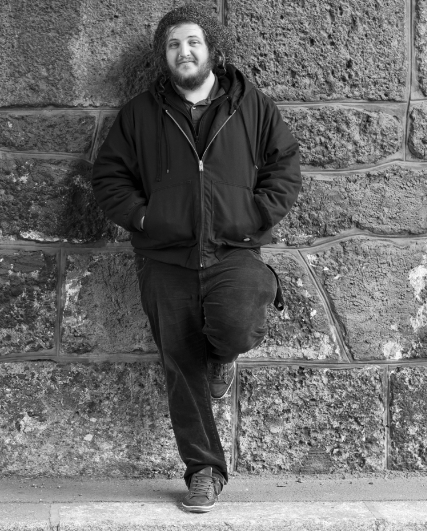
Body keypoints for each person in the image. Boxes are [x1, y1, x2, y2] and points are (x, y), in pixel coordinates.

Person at [92, 4, 300, 513]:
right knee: (182, 367)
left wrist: (254, 215)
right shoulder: (140, 113)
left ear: (211, 50)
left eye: (192, 42)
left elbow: (285, 167)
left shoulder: (252, 106)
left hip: (234, 249)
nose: (183, 52)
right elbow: (109, 178)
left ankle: (223, 354)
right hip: (166, 258)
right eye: (173, 45)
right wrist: (146, 219)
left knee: (238, 322)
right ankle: (204, 471)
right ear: (163, 56)